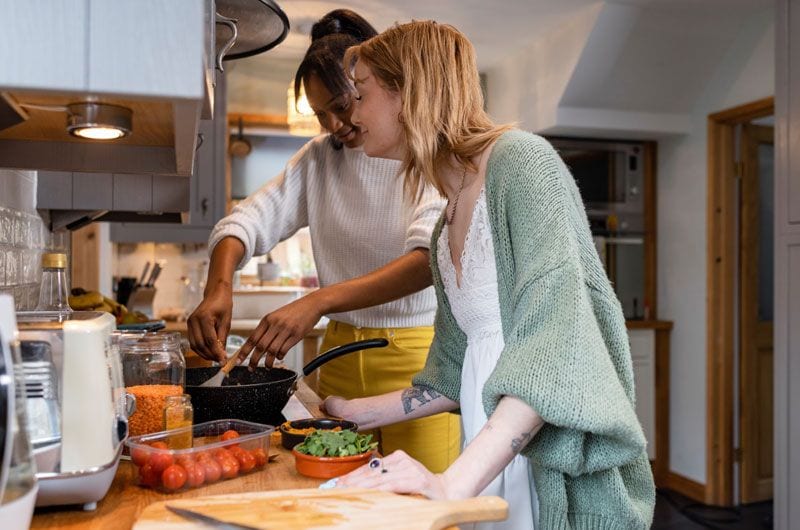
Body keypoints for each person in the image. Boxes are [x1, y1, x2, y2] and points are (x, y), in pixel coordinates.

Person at [322, 20, 656, 529]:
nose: (352, 113)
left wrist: (452, 484)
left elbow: (555, 341)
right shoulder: (445, 221)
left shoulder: (522, 163)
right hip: (490, 453)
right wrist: (353, 412)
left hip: (543, 460)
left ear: (410, 91)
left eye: (361, 94)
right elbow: (458, 371)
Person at [187, 10, 460, 474]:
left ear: (374, 87)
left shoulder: (428, 155)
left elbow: (427, 260)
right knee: (340, 499)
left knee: (422, 509)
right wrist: (220, 285)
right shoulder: (319, 159)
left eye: (341, 104)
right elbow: (244, 222)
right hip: (338, 358)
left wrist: (319, 300)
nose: (333, 124)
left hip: (421, 364)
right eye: (320, 114)